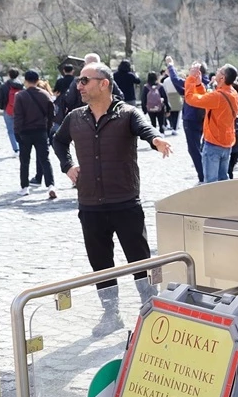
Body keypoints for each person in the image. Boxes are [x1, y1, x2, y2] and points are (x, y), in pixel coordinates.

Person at [51, 63, 172, 335]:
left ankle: (151, 307)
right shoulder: (75, 117)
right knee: (100, 263)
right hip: (90, 205)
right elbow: (58, 142)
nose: (79, 85)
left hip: (125, 202)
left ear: (103, 83)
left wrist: (157, 140)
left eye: (85, 80)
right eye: (79, 81)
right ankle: (111, 313)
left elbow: (146, 130)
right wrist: (68, 165)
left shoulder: (127, 113)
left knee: (139, 259)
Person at [184, 63, 238, 184]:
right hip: (226, 142)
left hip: (214, 143)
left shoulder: (218, 96)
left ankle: (213, 203)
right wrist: (198, 84)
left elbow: (190, 99)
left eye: (220, 70)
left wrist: (190, 79)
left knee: (211, 183)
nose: (217, 71)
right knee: (223, 180)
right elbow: (207, 99)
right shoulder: (233, 92)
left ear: (222, 78)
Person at [13, 70, 56, 199]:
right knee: (45, 159)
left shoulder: (20, 96)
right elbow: (51, 115)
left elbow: (18, 117)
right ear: (38, 80)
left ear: (25, 81)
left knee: (24, 160)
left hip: (25, 132)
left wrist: (17, 132)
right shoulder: (45, 95)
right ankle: (51, 185)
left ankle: (24, 187)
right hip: (41, 131)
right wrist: (47, 129)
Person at [165, 57, 205, 182]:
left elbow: (176, 80)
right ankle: (206, 172)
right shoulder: (207, 83)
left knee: (194, 148)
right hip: (203, 118)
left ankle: (203, 175)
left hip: (191, 118)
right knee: (202, 147)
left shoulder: (191, 84)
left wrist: (171, 66)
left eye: (192, 69)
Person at [0, 68, 22, 154]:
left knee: (11, 130)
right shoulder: (22, 85)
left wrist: (2, 107)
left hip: (8, 110)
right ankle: (22, 146)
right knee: (21, 129)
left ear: (8, 75)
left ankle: (16, 149)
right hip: (20, 111)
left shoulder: (3, 86)